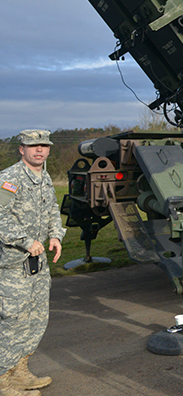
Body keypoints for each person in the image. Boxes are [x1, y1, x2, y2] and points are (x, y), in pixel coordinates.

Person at [0, 129, 65, 396]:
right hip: (14, 263)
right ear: (22, 149)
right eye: (33, 146)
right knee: (13, 321)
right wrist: (27, 241)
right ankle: (3, 380)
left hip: (38, 264)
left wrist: (56, 235)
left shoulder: (45, 177)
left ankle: (19, 372)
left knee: (36, 318)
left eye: (43, 146)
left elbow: (52, 209)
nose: (39, 150)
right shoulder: (10, 179)